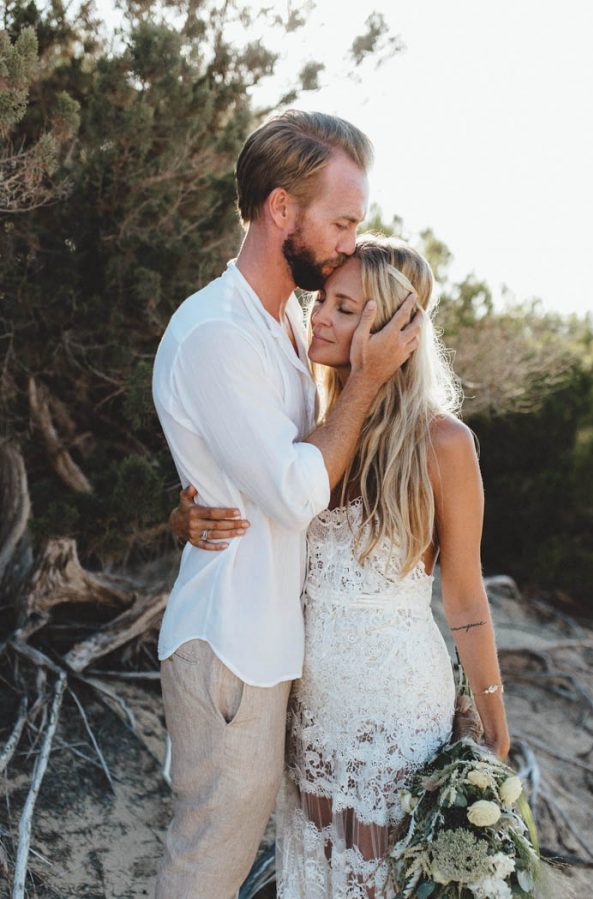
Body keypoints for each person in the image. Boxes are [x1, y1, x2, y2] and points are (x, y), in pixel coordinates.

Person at [171, 235, 510, 897]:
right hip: (309, 706)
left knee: (381, 874)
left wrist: (493, 710)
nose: (318, 315)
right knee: (317, 867)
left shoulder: (444, 443)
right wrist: (182, 518)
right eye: (321, 298)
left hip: (395, 708)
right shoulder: (310, 429)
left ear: (391, 327)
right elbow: (239, 506)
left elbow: (466, 596)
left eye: (345, 306)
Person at [151, 110, 423, 899]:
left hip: (268, 643)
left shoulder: (280, 324)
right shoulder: (218, 333)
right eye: (341, 222)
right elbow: (300, 488)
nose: (348, 243)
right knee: (209, 860)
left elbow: (255, 460)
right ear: (281, 211)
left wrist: (185, 506)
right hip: (230, 643)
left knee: (227, 850)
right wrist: (368, 380)